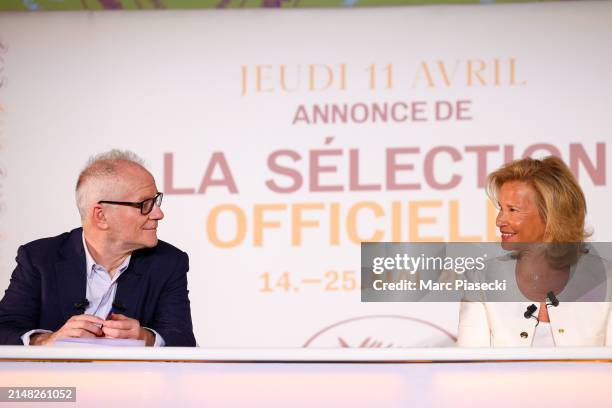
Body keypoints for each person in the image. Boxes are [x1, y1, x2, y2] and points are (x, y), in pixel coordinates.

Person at [0, 150, 196, 346]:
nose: (158, 213)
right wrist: (46, 341)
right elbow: (4, 328)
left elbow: (183, 339)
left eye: (156, 200)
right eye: (145, 204)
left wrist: (145, 337)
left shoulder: (168, 262)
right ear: (101, 216)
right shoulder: (39, 258)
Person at [457, 156, 612, 347]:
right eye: (501, 209)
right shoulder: (481, 280)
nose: (499, 221)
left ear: (552, 215)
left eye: (512, 210)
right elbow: (469, 369)